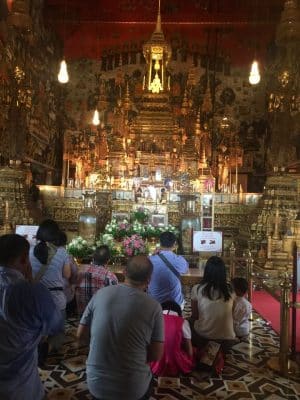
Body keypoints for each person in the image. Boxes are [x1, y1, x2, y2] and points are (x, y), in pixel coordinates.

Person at [77, 255, 164, 400]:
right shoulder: (154, 306)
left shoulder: (100, 294)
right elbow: (156, 355)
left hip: (96, 383)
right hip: (132, 388)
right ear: (149, 280)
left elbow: (80, 335)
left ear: (124, 272)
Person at [0, 234, 63, 400]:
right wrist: (31, 284)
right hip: (21, 385)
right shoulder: (32, 291)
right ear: (23, 259)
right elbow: (55, 325)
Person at [30, 219, 71, 350]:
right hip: (55, 298)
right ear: (56, 234)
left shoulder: (30, 251)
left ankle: (38, 347)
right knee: (58, 331)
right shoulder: (62, 252)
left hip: (35, 298)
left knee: (36, 327)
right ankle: (49, 348)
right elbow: (67, 275)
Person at [190, 256, 236, 347]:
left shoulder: (197, 289)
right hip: (228, 339)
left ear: (206, 271)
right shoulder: (230, 290)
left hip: (204, 337)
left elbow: (195, 315)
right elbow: (232, 313)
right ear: (223, 272)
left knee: (187, 322)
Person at [150, 301, 195, 377]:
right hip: (176, 362)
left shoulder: (153, 320)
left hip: (155, 362)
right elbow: (188, 347)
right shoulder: (183, 322)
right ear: (178, 312)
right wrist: (190, 361)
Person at [148, 231, 188, 307]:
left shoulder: (150, 260)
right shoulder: (179, 260)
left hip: (154, 302)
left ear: (159, 242)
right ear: (174, 244)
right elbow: (185, 269)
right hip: (174, 303)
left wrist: (153, 254)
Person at [76, 245, 118, 314]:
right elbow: (115, 300)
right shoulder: (110, 276)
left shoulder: (80, 271)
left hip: (82, 315)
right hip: (101, 318)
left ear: (93, 258)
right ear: (108, 260)